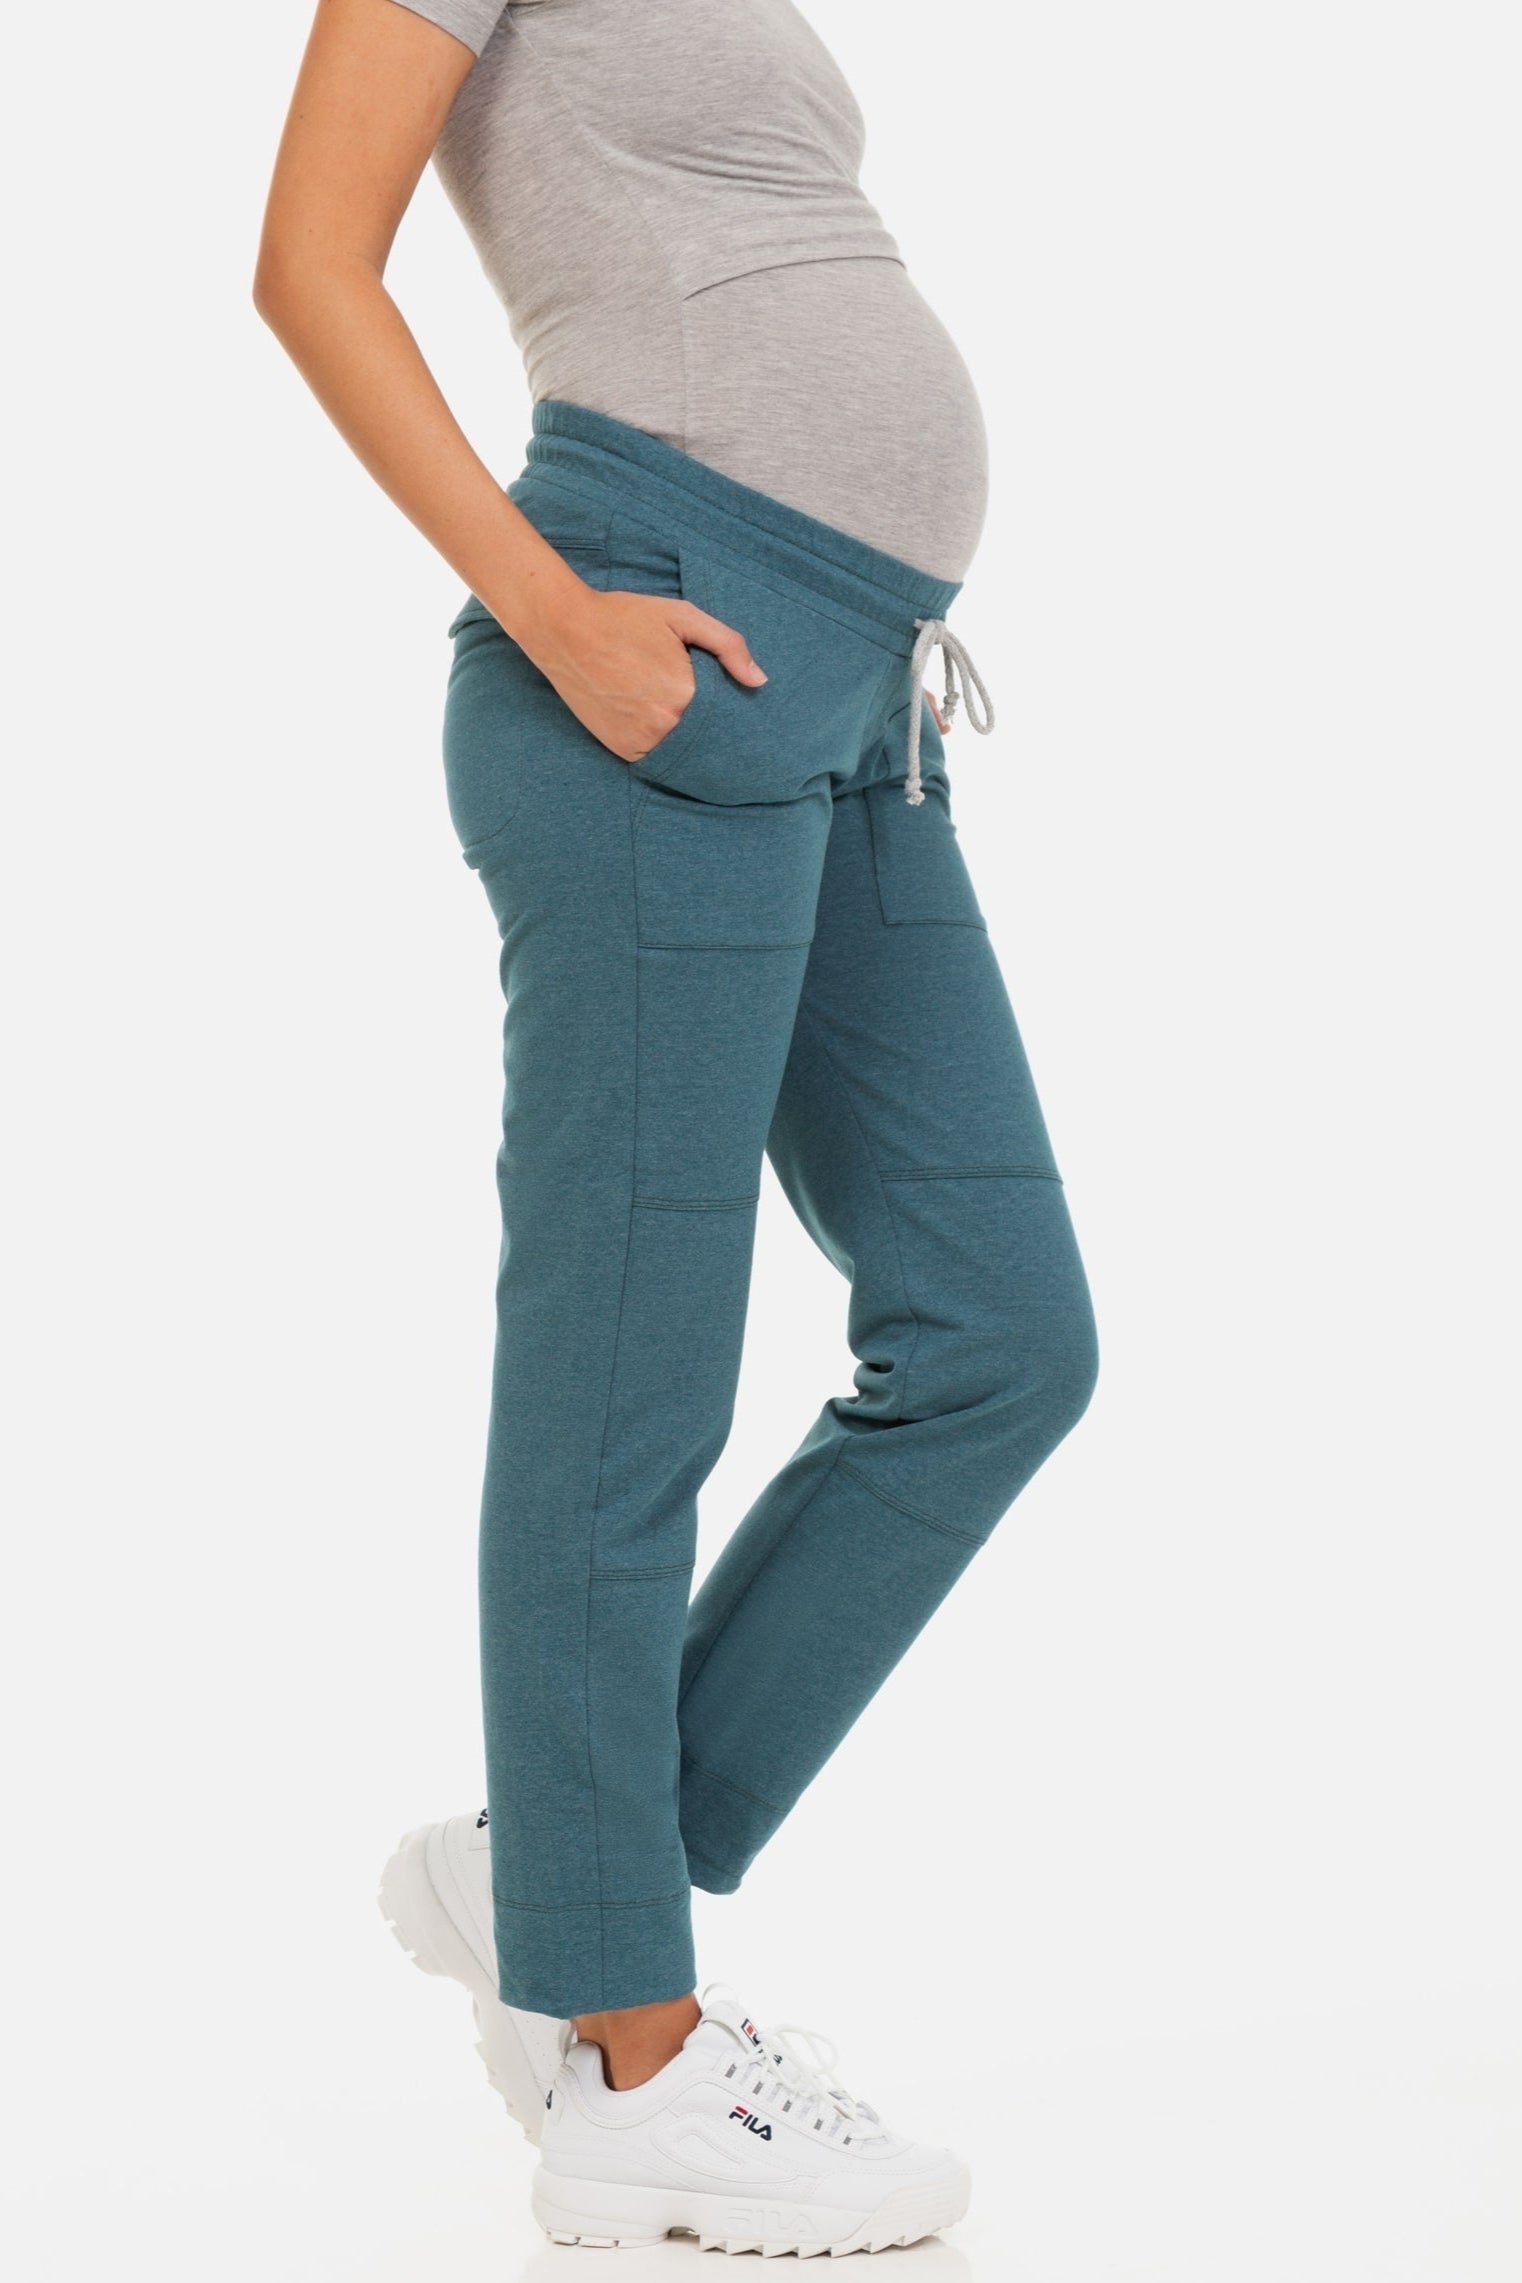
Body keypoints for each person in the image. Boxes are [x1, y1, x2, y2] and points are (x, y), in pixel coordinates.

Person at [256, 0, 1099, 2255]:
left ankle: (558, 1869)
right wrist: (559, 619)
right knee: (625, 1380)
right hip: (646, 658)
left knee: (1001, 1334)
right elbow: (307, 261)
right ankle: (625, 2061)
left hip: (852, 703)